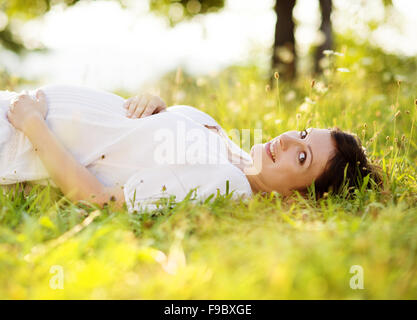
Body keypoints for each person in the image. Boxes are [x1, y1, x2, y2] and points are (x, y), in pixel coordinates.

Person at [1, 84, 381, 212]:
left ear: (295, 200)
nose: (286, 141)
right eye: (301, 133)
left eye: (302, 157)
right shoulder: (224, 142)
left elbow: (101, 199)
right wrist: (147, 104)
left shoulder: (226, 182)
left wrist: (32, 123)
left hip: (14, 138)